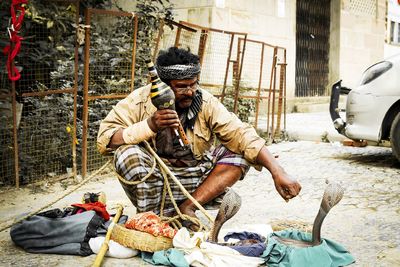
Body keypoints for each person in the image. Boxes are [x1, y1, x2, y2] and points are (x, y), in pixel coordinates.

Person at [97, 47, 301, 225]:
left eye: (193, 84)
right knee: (127, 154)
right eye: (182, 87)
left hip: (192, 179)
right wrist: (149, 125)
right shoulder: (139, 101)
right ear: (163, 85)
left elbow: (241, 134)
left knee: (239, 153)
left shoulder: (206, 102)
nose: (190, 91)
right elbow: (105, 139)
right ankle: (150, 218)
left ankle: (188, 207)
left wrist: (277, 171)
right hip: (153, 181)